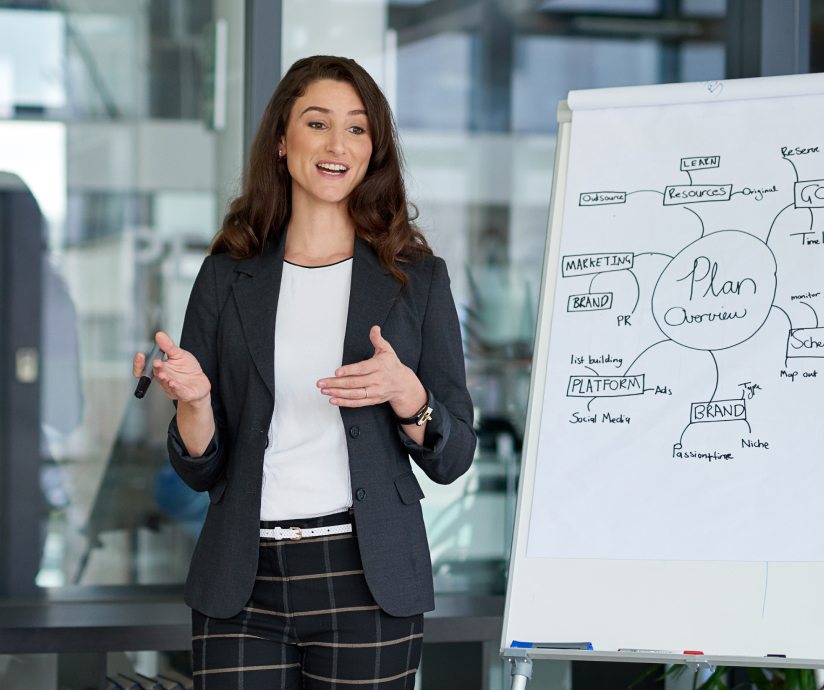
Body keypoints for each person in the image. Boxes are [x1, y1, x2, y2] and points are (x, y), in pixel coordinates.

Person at [132, 55, 476, 688]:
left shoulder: (418, 280)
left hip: (368, 578)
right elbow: (198, 466)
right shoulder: (225, 275)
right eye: (318, 123)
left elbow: (453, 456)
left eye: (357, 128)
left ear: (374, 150)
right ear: (283, 140)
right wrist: (196, 404)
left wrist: (408, 396)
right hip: (242, 579)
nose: (336, 144)